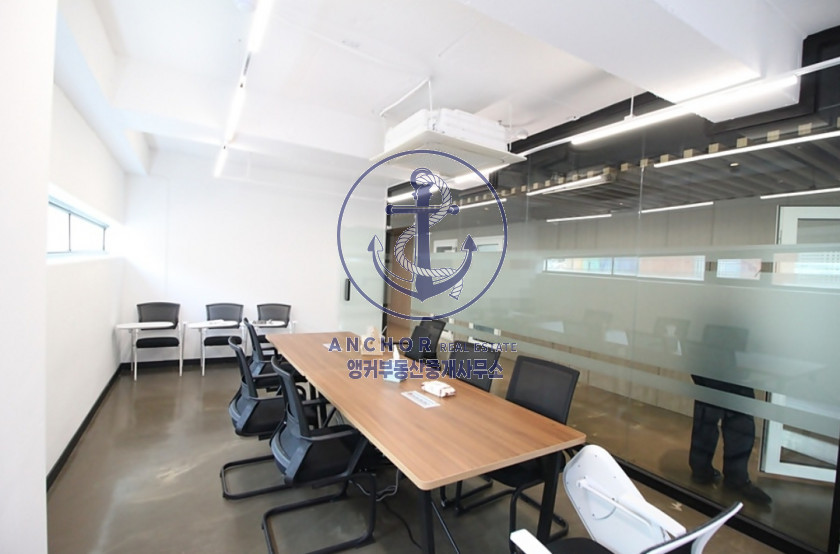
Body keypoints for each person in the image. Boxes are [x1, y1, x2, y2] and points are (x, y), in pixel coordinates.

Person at [688, 324, 771, 504]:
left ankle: (705, 471)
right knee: (732, 415)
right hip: (718, 352)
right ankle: (731, 476)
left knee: (711, 412)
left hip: (712, 351)